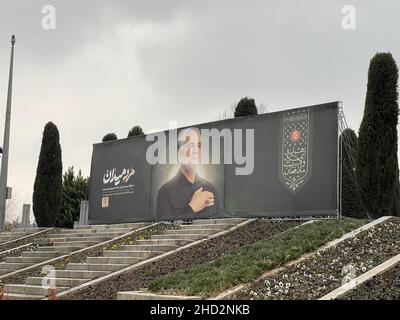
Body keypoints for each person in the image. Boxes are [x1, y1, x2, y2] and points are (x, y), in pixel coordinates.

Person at [156, 127, 221, 221]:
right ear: (179, 153)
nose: (195, 151)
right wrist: (192, 208)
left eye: (198, 145)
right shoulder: (165, 192)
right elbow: (164, 230)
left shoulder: (211, 189)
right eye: (190, 145)